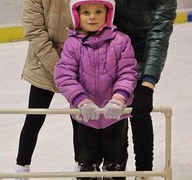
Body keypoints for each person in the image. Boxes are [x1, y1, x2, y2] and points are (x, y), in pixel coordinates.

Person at [54, 0, 138, 179]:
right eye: (86, 13)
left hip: (115, 116)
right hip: (85, 118)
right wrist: (81, 101)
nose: (92, 17)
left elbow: (128, 73)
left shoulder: (121, 41)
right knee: (87, 165)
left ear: (108, 14)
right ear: (77, 16)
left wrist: (119, 98)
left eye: (98, 11)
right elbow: (65, 76)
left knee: (115, 164)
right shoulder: (72, 44)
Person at [113, 0, 177, 180]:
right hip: (108, 50)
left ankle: (144, 172)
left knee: (140, 111)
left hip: (141, 51)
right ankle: (116, 171)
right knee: (114, 114)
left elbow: (159, 34)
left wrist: (148, 83)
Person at [12, 0, 72, 180]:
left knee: (80, 118)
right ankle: (21, 167)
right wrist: (59, 69)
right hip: (43, 64)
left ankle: (83, 166)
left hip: (78, 60)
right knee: (35, 117)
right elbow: (35, 32)